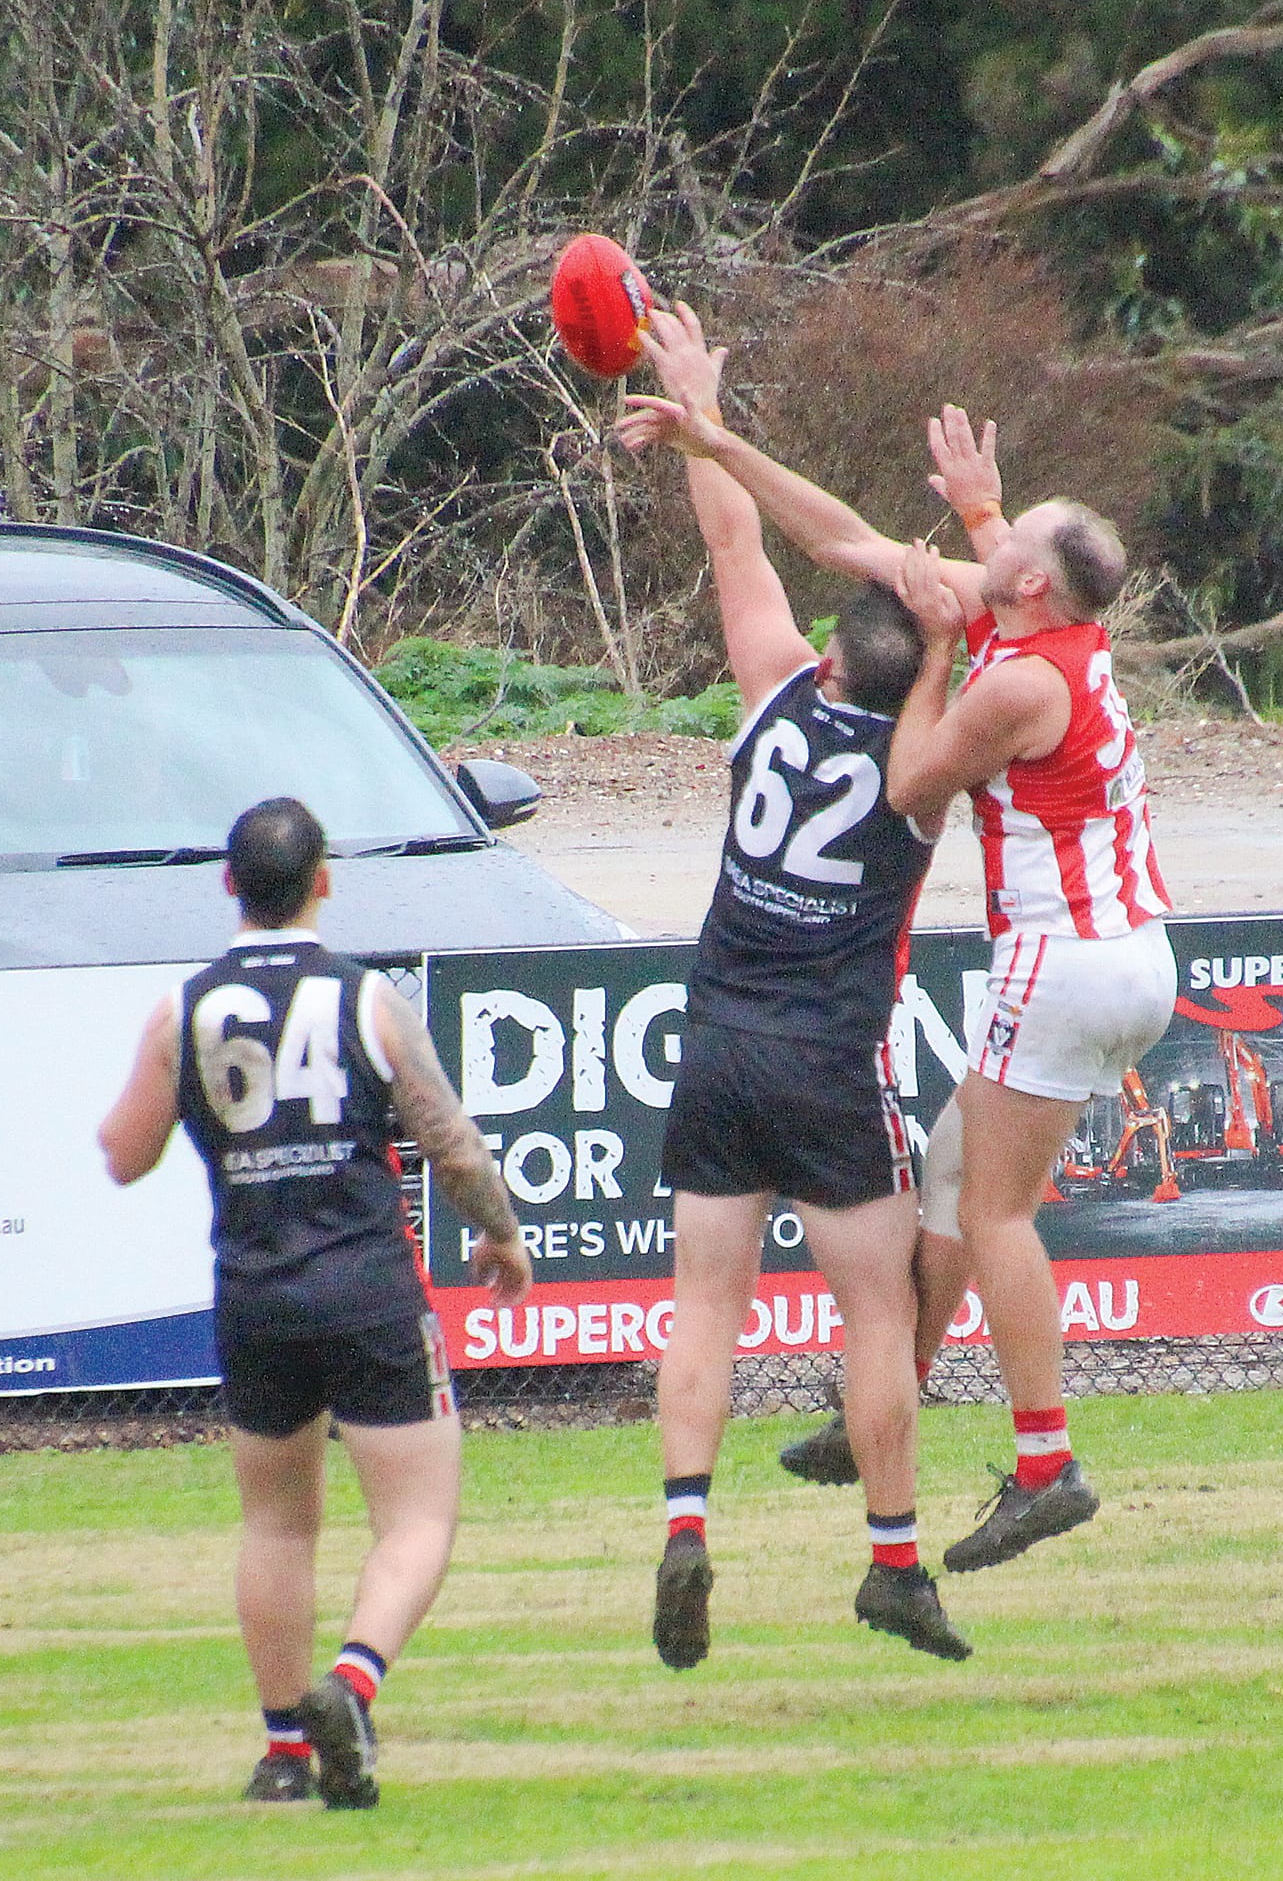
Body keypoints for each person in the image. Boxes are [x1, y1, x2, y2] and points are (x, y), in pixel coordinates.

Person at [622, 341, 1176, 1574]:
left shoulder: (1005, 683)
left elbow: (911, 776)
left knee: (992, 1211)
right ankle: (890, 1402)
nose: (995, 526)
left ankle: (1047, 1463)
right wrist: (718, 434)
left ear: (1022, 584)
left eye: (1009, 528)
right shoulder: (1045, 619)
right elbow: (841, 540)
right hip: (1131, 952)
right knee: (947, 1179)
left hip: (1062, 960)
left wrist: (932, 651)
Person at [617, 303, 970, 1666]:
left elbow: (737, 544)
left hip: (716, 1041)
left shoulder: (774, 691)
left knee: (703, 1301)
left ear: (830, 661)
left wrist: (697, 413)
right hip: (828, 1060)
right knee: (879, 1312)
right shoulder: (923, 769)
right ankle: (893, 1561)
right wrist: (947, 631)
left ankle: (686, 1525)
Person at [98, 797, 530, 1808]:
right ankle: (352, 1682)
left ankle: (283, 1754)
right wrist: (501, 1232)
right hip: (367, 1288)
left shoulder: (183, 1011)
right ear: (324, 881)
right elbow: (452, 1143)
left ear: (228, 886)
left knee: (276, 1527)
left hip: (254, 1294)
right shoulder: (366, 1000)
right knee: (417, 1520)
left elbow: (122, 1154)